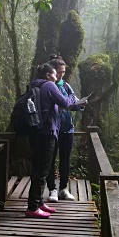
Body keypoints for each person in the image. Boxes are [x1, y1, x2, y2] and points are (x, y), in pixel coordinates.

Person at [25, 63, 78, 218]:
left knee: (39, 168)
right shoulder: (49, 85)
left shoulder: (35, 85)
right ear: (48, 75)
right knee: (42, 171)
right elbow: (66, 103)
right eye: (55, 74)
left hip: (36, 133)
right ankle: (33, 208)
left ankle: (39, 202)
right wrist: (73, 97)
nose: (57, 77)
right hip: (47, 133)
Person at [46, 56, 82, 202]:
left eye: (64, 71)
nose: (62, 74)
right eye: (59, 72)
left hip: (68, 129)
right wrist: (67, 103)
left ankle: (63, 188)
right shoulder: (48, 86)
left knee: (65, 160)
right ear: (53, 71)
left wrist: (80, 105)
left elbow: (73, 101)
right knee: (51, 159)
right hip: (53, 129)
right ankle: (52, 189)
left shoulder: (66, 86)